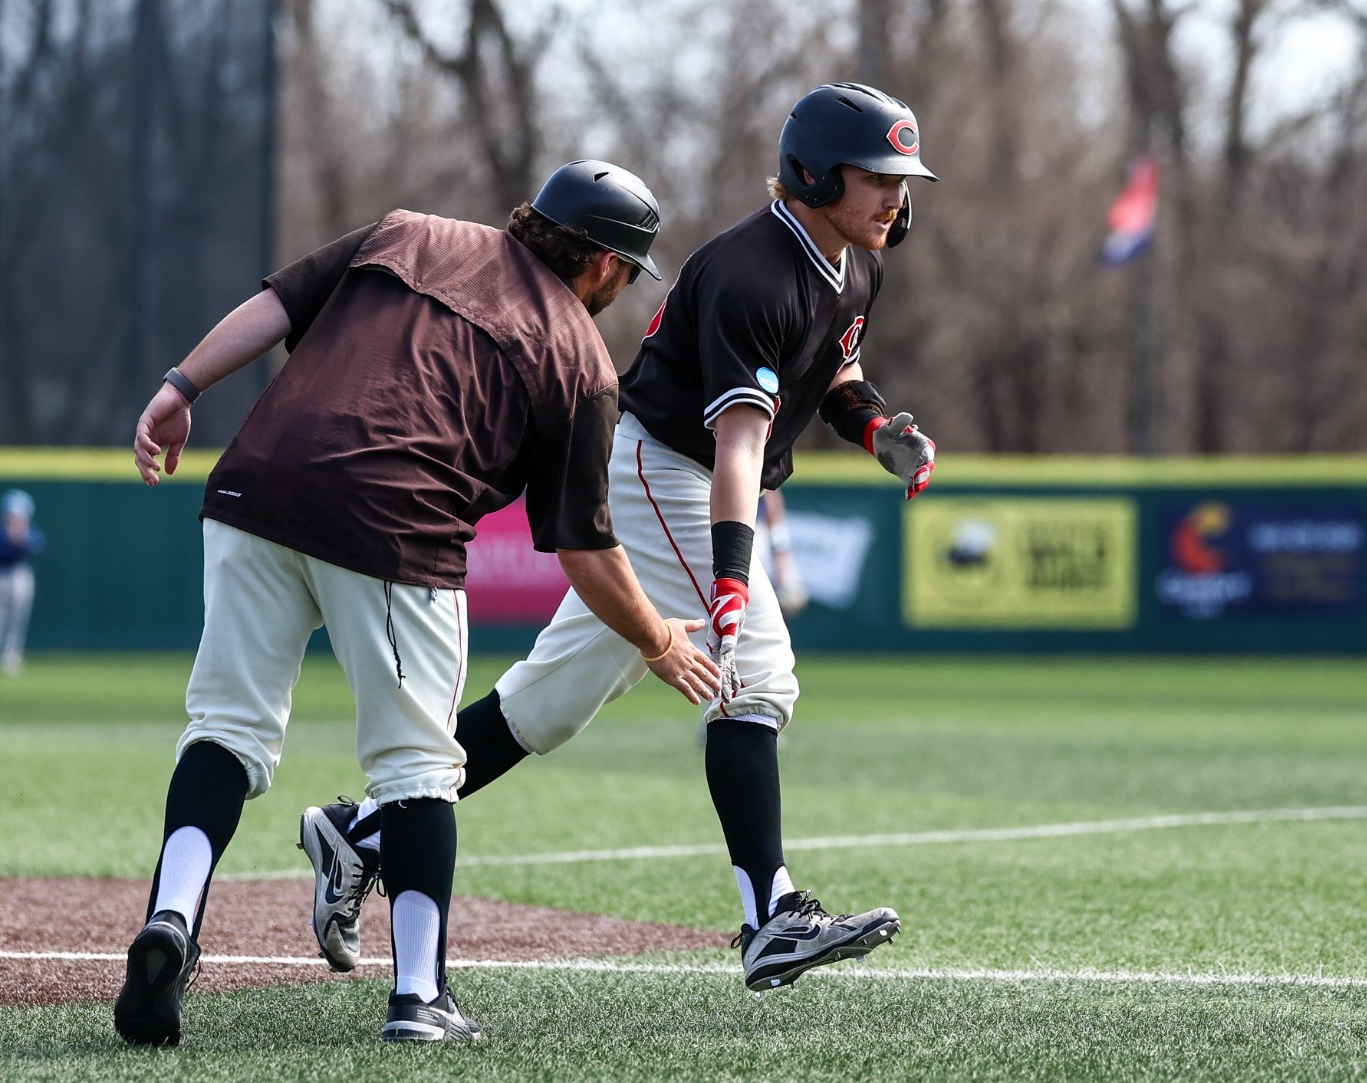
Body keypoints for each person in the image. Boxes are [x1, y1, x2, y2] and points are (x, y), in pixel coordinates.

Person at [297, 83, 941, 993]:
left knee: (544, 706)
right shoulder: (751, 271)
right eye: (876, 174)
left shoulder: (855, 258)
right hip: (665, 468)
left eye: (901, 176)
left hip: (682, 467)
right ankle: (769, 915)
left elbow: (838, 365)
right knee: (753, 673)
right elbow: (739, 445)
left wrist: (876, 426)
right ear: (812, 173)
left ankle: (357, 830)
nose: (895, 194)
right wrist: (729, 573)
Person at [111, 160, 720, 1048]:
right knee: (419, 772)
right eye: (628, 272)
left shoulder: (407, 231)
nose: (622, 291)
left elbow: (273, 308)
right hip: (393, 526)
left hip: (253, 488)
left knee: (225, 732)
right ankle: (418, 994)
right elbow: (586, 551)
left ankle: (172, 919)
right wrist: (659, 638)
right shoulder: (582, 359)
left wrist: (178, 388)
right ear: (599, 263)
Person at [0, 489, 43, 675]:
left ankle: (11, 655)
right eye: (12, 514)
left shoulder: (29, 532)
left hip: (18, 574)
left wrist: (21, 537)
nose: (15, 518)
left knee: (17, 619)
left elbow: (36, 547)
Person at [758, 489, 808, 617]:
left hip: (758, 529)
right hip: (748, 528)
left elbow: (771, 489)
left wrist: (778, 544)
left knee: (790, 595)